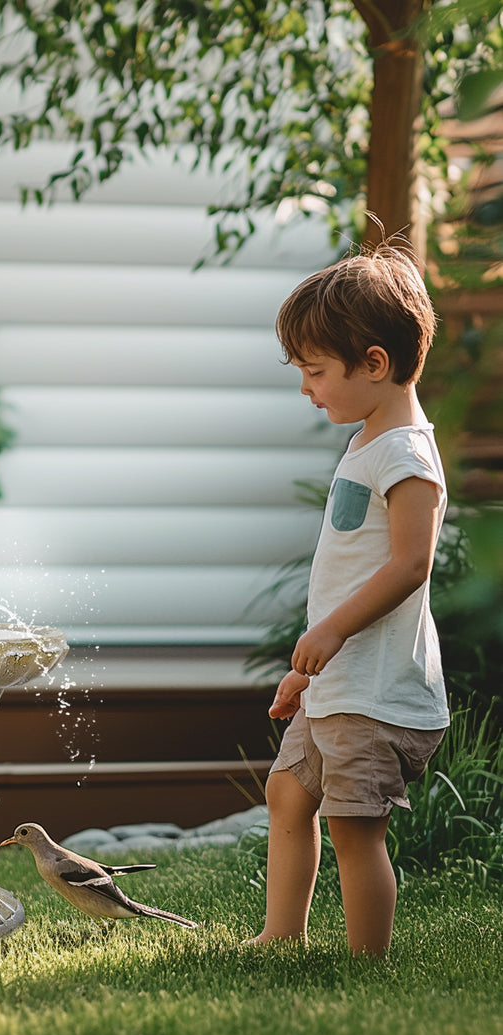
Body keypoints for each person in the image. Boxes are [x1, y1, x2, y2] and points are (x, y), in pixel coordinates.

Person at [248, 244, 449, 956]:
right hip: (337, 684)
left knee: (353, 830)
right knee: (287, 796)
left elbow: (410, 563)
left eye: (315, 371)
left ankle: (367, 962)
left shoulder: (406, 455)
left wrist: (328, 635)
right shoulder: (369, 440)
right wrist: (307, 670)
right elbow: (346, 572)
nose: (306, 388)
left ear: (374, 363)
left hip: (377, 691)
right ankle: (282, 935)